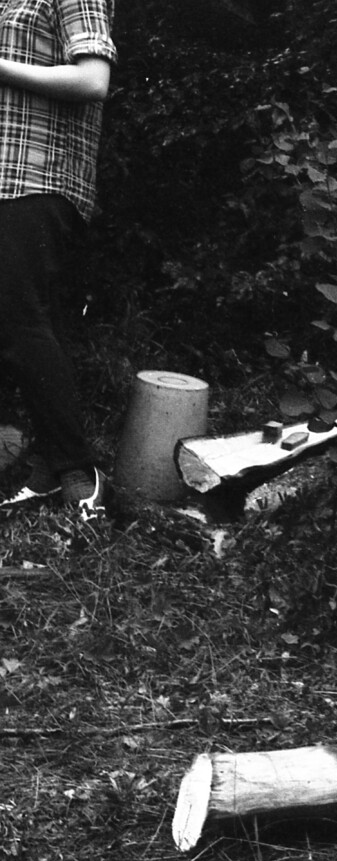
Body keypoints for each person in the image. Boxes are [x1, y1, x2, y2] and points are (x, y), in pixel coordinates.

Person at [0, 0, 115, 518]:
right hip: (5, 181)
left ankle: (78, 470)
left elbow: (93, 80)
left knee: (18, 320)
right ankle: (50, 468)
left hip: (38, 178)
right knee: (29, 322)